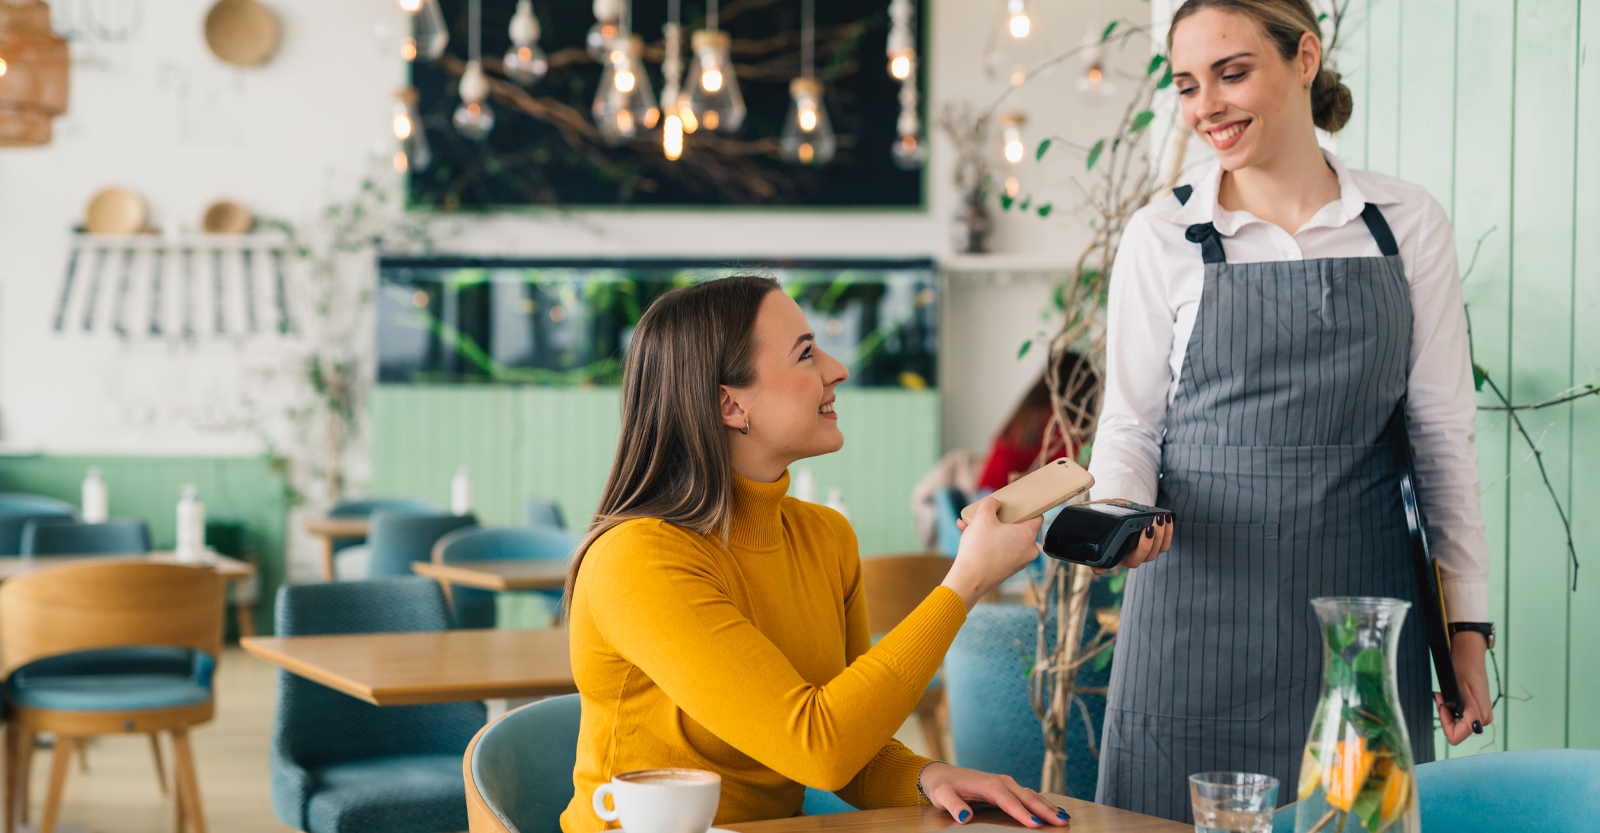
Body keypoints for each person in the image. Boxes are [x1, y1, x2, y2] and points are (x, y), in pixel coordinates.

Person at [1086, 0, 1493, 821]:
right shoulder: (1161, 235)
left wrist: (1469, 628)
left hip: (1362, 623)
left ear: (1305, 57)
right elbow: (1130, 425)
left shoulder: (1405, 224)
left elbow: (1441, 436)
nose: (1208, 107)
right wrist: (1120, 517)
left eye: (1233, 73)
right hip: (1195, 612)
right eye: (1189, 84)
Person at [561, 276, 1072, 831]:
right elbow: (817, 746)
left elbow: (852, 745)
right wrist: (966, 581)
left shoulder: (826, 537)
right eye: (806, 354)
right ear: (729, 403)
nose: (837, 369)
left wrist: (927, 775)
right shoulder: (637, 560)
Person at [974, 352, 1099, 493]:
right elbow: (1075, 468)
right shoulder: (1055, 418)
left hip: (982, 497)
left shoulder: (1029, 411)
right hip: (996, 500)